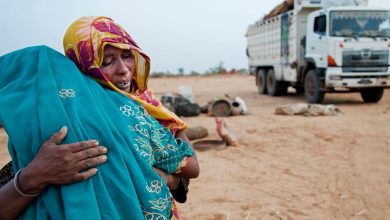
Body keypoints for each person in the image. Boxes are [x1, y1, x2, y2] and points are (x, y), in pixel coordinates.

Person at [0, 16, 198, 219]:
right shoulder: (59, 127)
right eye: (107, 61)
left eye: (128, 55)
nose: (123, 70)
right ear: (83, 65)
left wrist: (170, 179)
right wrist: (33, 176)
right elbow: (190, 167)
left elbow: (179, 180)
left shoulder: (146, 106)